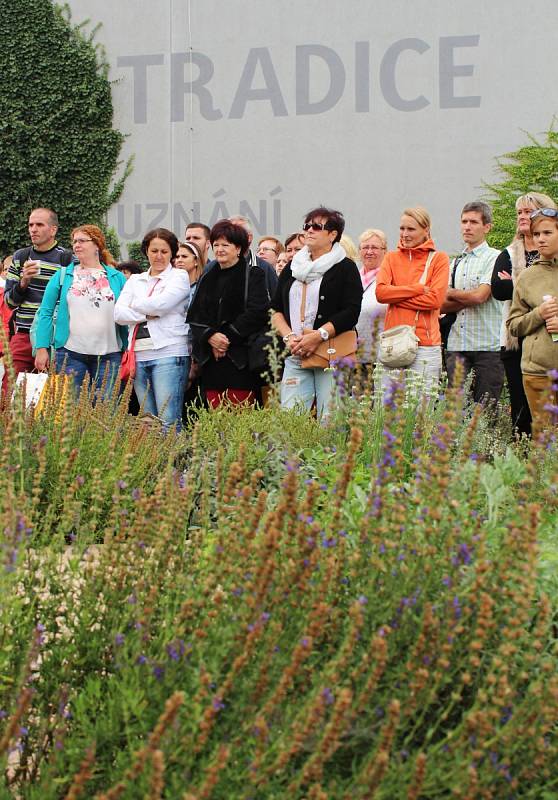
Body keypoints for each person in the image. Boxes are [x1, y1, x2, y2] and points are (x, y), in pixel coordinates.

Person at [271, 206, 362, 418]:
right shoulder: (293, 266)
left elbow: (351, 311)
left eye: (317, 227)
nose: (309, 230)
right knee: (291, 419)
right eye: (307, 226)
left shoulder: (345, 267)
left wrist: (318, 335)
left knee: (330, 419)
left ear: (333, 235)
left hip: (330, 353)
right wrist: (289, 337)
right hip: (296, 352)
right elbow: (275, 308)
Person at [34, 225, 127, 399]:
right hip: (70, 354)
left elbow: (128, 313)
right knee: (70, 415)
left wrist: (128, 347)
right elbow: (45, 312)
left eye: (82, 241)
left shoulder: (117, 277)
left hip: (110, 355)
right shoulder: (63, 275)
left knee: (106, 412)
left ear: (97, 245)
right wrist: (41, 348)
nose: (76, 245)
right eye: (75, 241)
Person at [491, 192, 557, 437]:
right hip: (532, 363)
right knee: (531, 428)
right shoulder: (523, 270)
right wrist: (539, 312)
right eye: (537, 234)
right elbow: (500, 293)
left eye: (547, 233)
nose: (540, 239)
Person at [187, 220, 269, 408]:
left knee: (240, 422)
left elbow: (258, 312)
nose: (220, 249)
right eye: (216, 245)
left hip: (241, 359)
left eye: (226, 245)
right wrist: (210, 337)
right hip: (211, 361)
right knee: (215, 421)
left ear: (238, 248)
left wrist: (225, 339)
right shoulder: (208, 275)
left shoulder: (253, 274)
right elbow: (195, 315)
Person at [114, 228, 190, 430]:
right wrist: (148, 312)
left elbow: (163, 305)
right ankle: (154, 462)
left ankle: (174, 461)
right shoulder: (135, 280)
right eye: (154, 250)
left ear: (172, 253)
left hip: (169, 352)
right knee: (148, 422)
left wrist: (135, 304)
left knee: (168, 420)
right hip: (138, 355)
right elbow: (119, 314)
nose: (158, 256)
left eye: (164, 251)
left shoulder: (179, 276)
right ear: (146, 251)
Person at [376, 206, 450, 391]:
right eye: (402, 228)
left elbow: (434, 300)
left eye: (411, 229)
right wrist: (416, 289)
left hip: (425, 344)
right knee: (385, 409)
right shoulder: (391, 258)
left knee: (421, 411)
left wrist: (395, 296)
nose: (404, 234)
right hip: (393, 342)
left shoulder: (439, 259)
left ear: (426, 230)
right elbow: (380, 293)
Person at [3, 208, 72, 392]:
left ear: (53, 229)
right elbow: (9, 302)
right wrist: (23, 282)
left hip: (54, 338)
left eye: (39, 225)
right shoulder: (21, 257)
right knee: (10, 394)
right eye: (31, 225)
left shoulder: (66, 259)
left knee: (50, 397)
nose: (33, 229)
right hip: (24, 335)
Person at [441, 202, 503, 405]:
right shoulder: (457, 261)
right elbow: (441, 304)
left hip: (488, 345)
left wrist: (453, 293)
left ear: (487, 227)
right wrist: (466, 296)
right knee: (455, 410)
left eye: (473, 222)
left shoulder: (495, 257)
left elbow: (481, 297)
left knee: (486, 410)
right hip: (458, 344)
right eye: (464, 221)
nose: (467, 227)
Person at [355, 229, 388, 368]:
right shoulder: (353, 277)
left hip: (381, 355)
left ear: (384, 251)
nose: (369, 251)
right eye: (365, 247)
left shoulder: (389, 278)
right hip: (353, 355)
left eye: (374, 247)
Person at [228, 215, 278, 300]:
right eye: (229, 233)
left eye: (237, 232)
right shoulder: (213, 268)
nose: (232, 237)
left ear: (249, 237)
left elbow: (276, 305)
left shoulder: (265, 268)